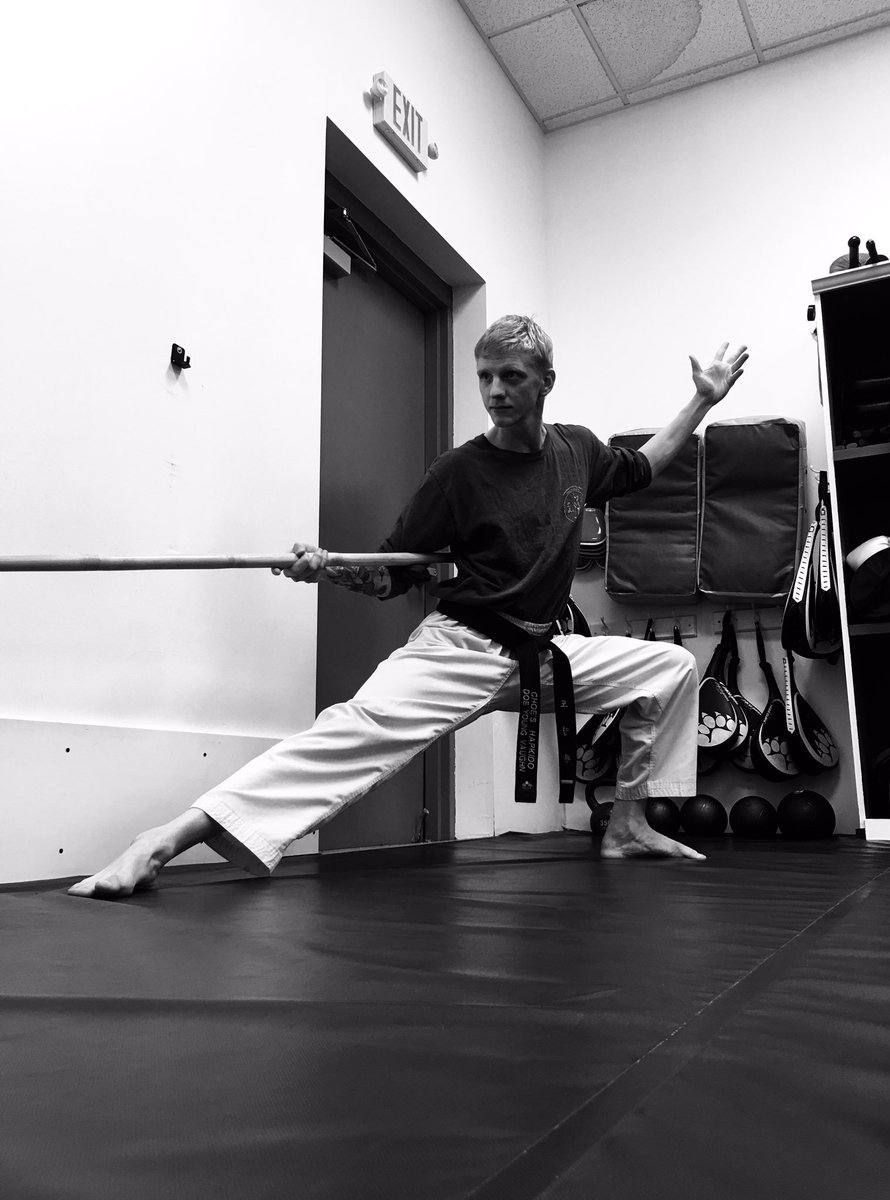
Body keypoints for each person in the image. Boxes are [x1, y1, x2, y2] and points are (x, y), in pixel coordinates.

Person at [69, 316, 748, 899]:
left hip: (540, 654)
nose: (495, 391)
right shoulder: (458, 474)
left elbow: (644, 467)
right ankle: (161, 841)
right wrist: (329, 569)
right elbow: (391, 575)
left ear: (546, 380)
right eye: (485, 377)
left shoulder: (578, 450)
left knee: (668, 669)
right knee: (346, 735)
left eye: (511, 376)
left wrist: (701, 400)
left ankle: (627, 826)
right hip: (461, 649)